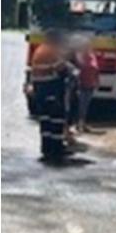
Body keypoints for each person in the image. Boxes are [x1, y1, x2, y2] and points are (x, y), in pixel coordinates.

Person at [30, 29, 74, 157]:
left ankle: (46, 147)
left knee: (46, 120)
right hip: (51, 89)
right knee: (56, 120)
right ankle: (56, 148)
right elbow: (59, 68)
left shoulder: (40, 50)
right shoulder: (52, 51)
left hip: (41, 90)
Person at [72, 35, 99, 133]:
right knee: (80, 105)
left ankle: (82, 123)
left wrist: (96, 80)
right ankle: (78, 124)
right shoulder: (78, 55)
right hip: (81, 84)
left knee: (85, 105)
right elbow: (77, 69)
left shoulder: (91, 55)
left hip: (90, 84)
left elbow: (96, 68)